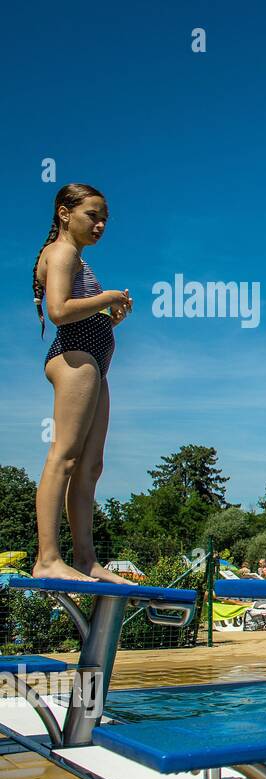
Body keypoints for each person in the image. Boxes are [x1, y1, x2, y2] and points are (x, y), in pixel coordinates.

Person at [30, 184, 135, 583]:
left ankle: (86, 559)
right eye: (92, 214)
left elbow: (78, 312)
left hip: (94, 362)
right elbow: (58, 311)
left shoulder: (76, 257)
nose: (101, 223)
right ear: (64, 213)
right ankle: (48, 558)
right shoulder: (62, 253)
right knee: (66, 456)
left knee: (91, 465)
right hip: (74, 359)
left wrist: (110, 319)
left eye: (104, 216)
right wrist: (106, 297)